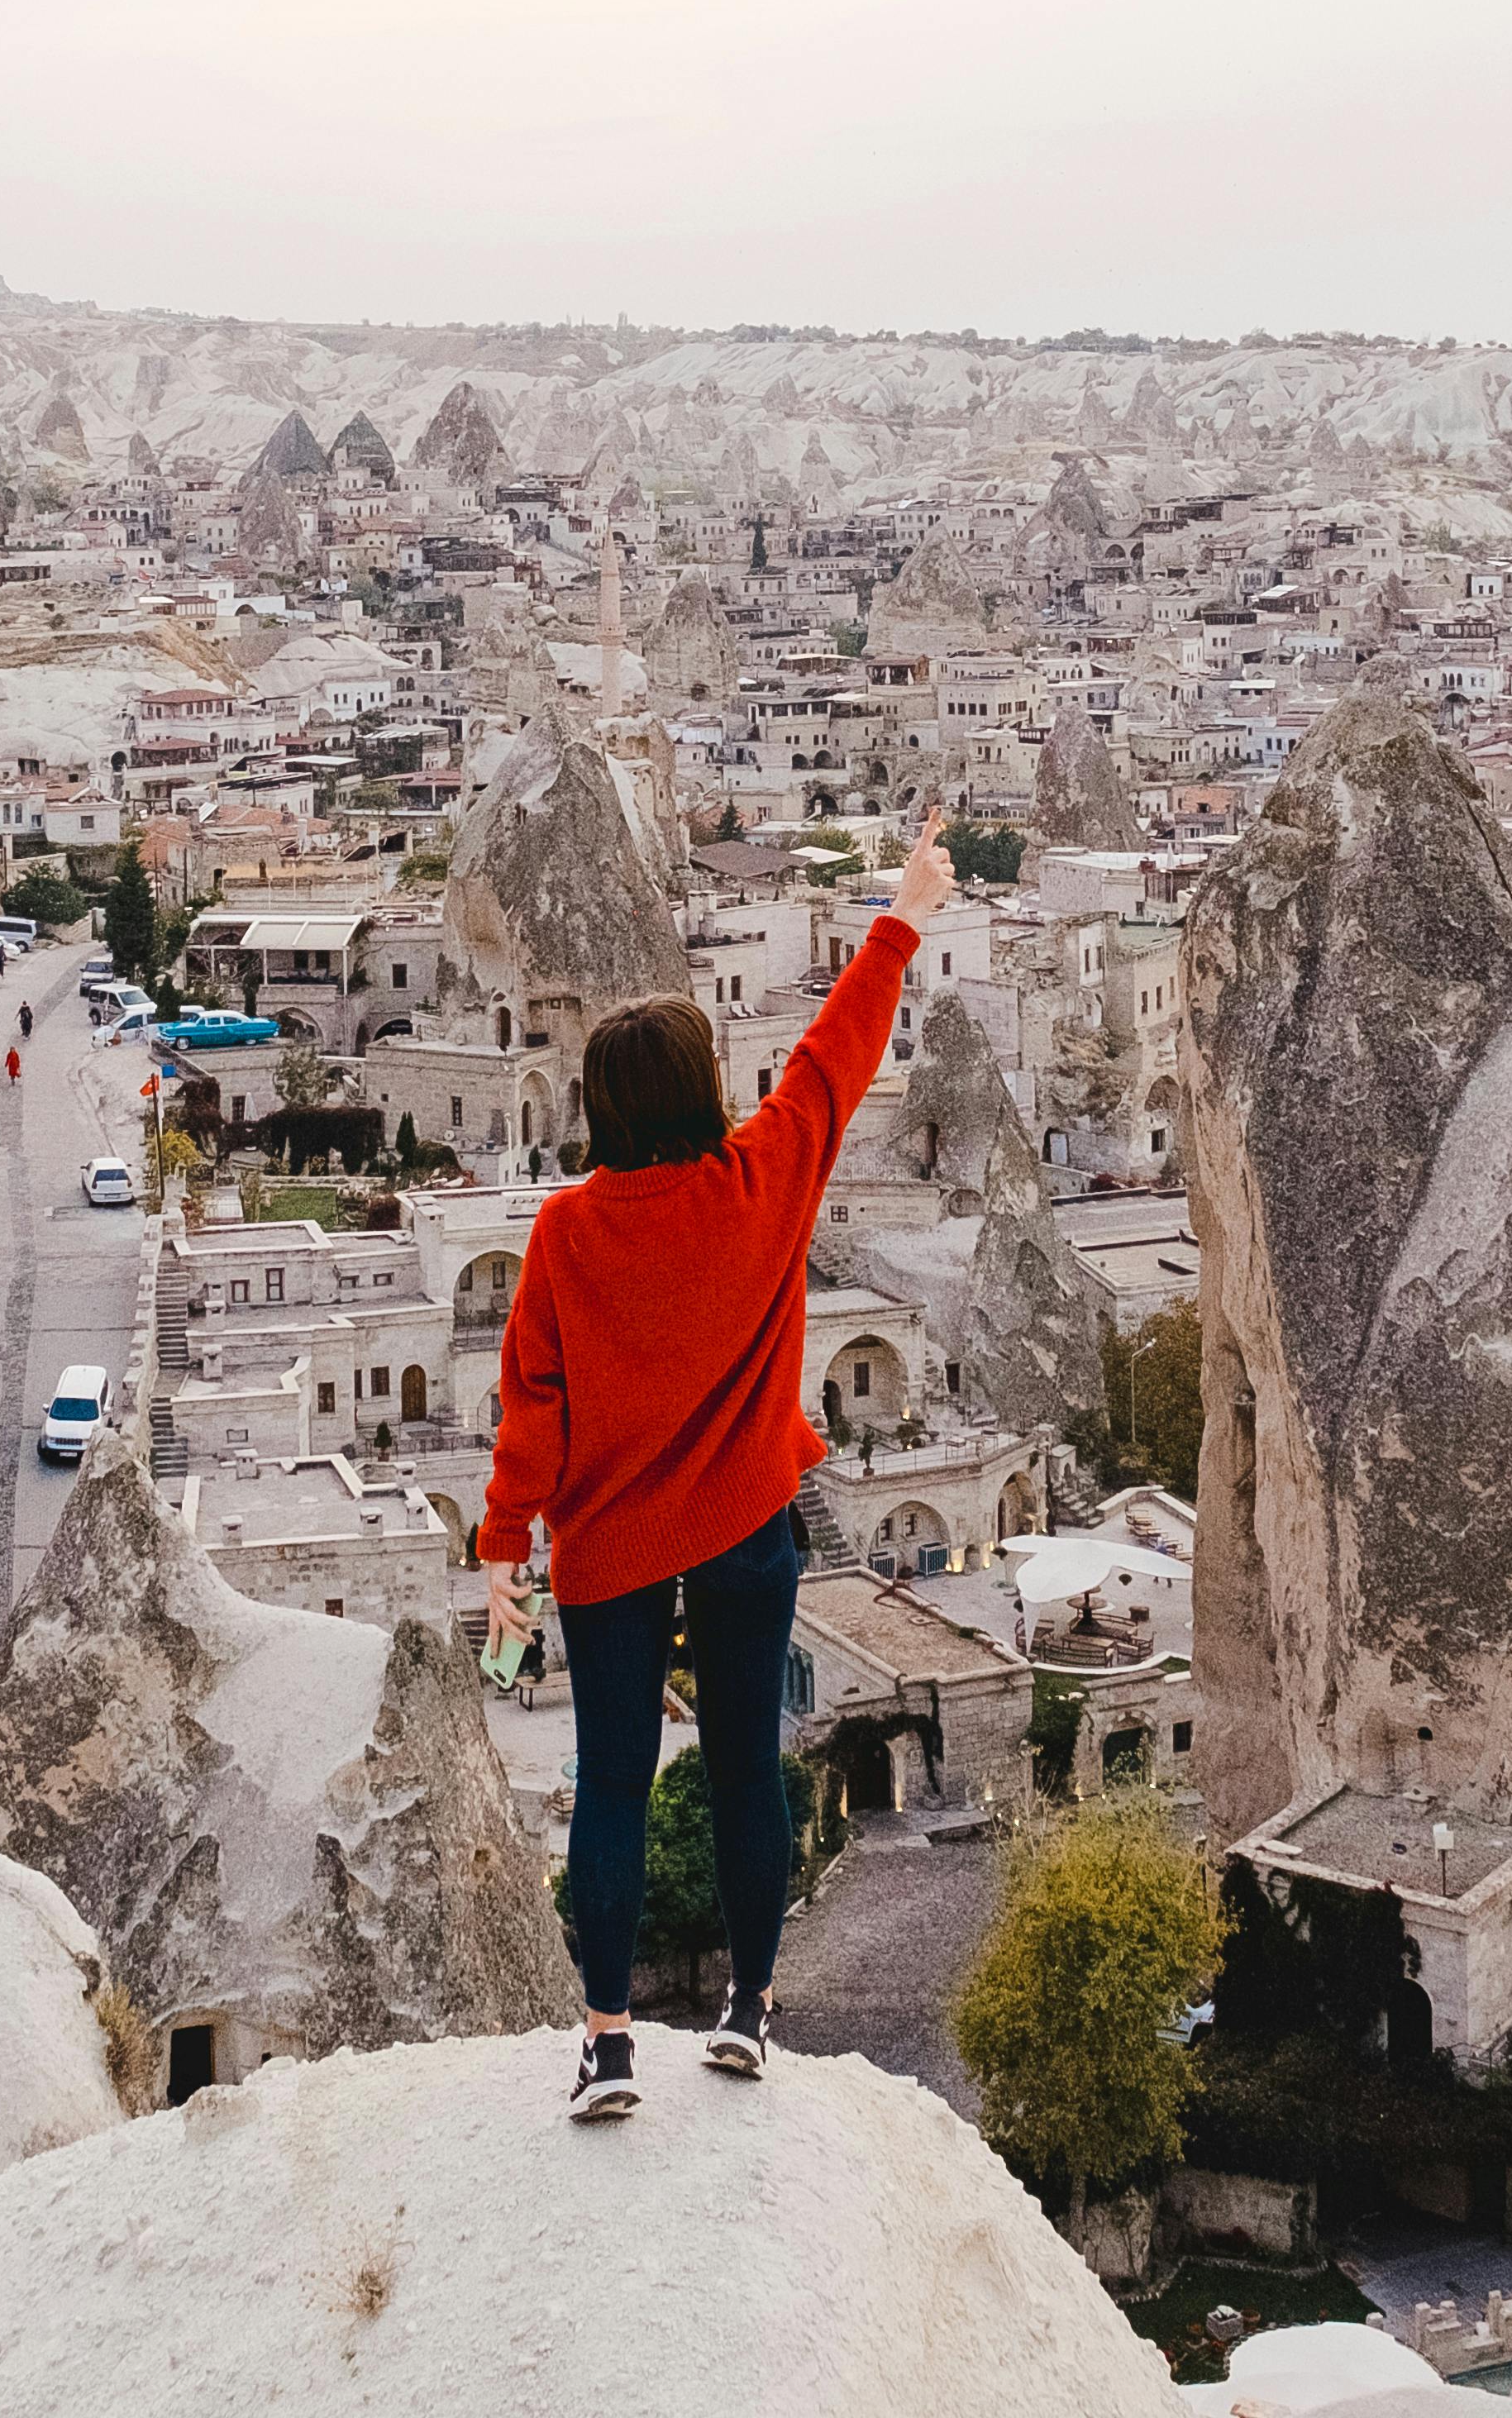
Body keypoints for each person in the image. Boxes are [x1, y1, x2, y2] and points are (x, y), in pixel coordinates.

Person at [479, 808, 952, 2122]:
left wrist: (504, 1555)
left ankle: (612, 2039)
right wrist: (904, 908)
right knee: (748, 1765)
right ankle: (746, 2012)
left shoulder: (567, 1234)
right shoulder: (762, 1180)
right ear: (702, 1091)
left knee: (613, 1783)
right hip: (748, 1527)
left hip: (613, 1550)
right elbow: (836, 1054)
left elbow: (533, 1405)